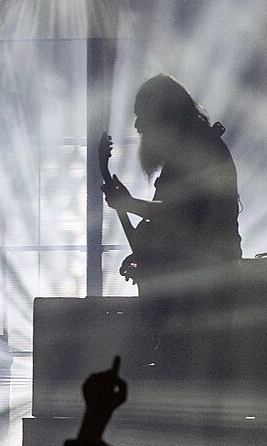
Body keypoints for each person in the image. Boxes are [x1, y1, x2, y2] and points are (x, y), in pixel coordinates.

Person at [102, 74, 242, 295]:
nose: (138, 125)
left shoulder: (201, 152)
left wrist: (128, 204)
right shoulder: (191, 152)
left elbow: (177, 215)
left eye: (142, 117)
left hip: (206, 290)